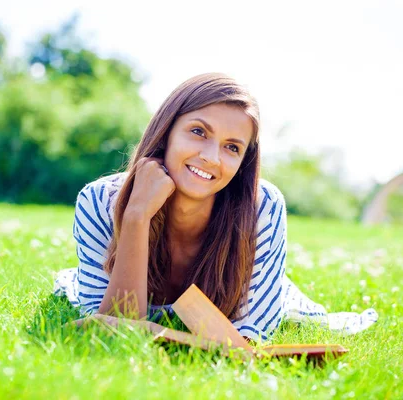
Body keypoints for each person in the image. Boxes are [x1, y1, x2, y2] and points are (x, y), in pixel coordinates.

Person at [53, 72, 377, 342]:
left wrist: (152, 331)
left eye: (232, 147)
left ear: (242, 162)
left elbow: (246, 342)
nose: (211, 157)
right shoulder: (99, 201)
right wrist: (137, 216)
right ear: (166, 132)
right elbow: (111, 329)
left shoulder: (262, 206)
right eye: (198, 132)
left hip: (255, 291)